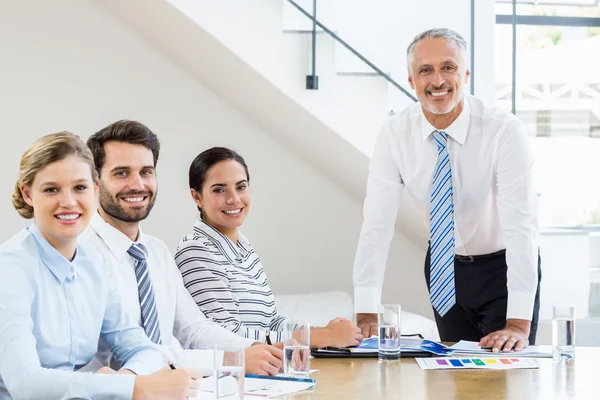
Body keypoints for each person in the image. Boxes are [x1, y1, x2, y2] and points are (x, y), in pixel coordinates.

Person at [353, 28, 541, 352]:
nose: (437, 80)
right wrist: (366, 311)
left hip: (503, 270)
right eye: (425, 70)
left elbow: (521, 228)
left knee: (505, 377)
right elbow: (376, 226)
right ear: (411, 80)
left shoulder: (504, 131)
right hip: (443, 269)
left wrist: (518, 324)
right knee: (452, 376)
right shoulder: (395, 135)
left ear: (465, 73)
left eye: (448, 67)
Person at [0, 132, 199, 400]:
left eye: (80, 188)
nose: (68, 202)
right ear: (28, 194)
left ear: (95, 190)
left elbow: (143, 349)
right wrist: (132, 388)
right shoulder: (9, 268)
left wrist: (127, 379)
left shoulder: (94, 265)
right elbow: (25, 384)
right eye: (51, 189)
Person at [80, 120, 283, 376]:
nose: (138, 184)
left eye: (146, 171)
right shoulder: (79, 254)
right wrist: (232, 360)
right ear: (95, 182)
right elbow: (128, 356)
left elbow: (193, 329)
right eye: (121, 173)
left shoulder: (156, 252)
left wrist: (255, 350)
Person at [174, 147, 363, 349]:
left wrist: (323, 331)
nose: (234, 199)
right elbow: (225, 335)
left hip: (267, 367)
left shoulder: (245, 250)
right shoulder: (195, 251)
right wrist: (319, 338)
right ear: (197, 197)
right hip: (232, 374)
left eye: (241, 187)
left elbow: (272, 322)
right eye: (219, 189)